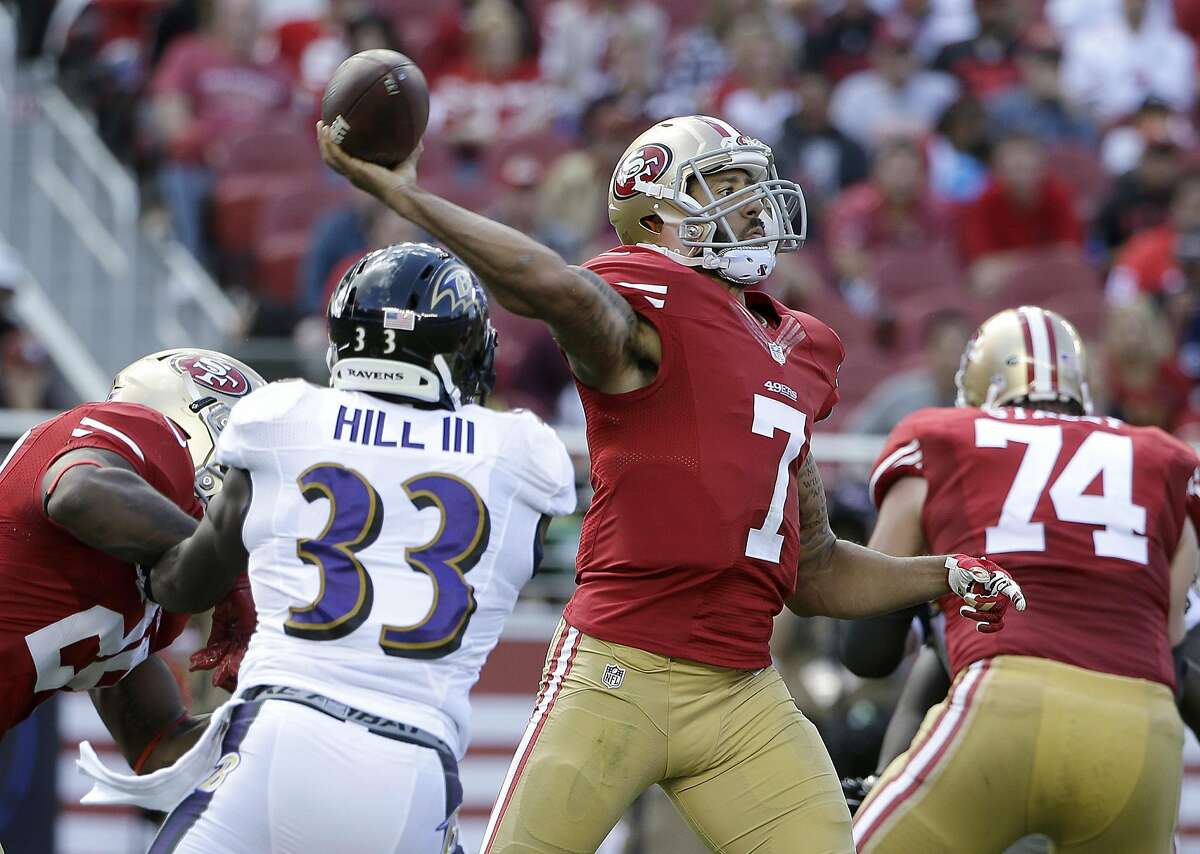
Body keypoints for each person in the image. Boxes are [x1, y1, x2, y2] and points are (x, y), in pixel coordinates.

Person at [313, 112, 1025, 852]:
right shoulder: (647, 301)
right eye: (726, 186)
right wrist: (411, 200)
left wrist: (940, 573)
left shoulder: (801, 348)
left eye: (755, 187)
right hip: (622, 668)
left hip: (743, 693)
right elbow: (551, 288)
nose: (753, 206)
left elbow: (815, 571)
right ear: (654, 215)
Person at [87, 244, 575, 853]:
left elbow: (188, 584)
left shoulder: (282, 416)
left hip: (277, 731)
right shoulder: (523, 453)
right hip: (410, 756)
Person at [852, 306, 1197, 853]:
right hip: (1142, 730)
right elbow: (1177, 651)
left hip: (1005, 706)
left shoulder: (942, 437)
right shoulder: (1164, 459)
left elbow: (865, 648)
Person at [0, 348, 264, 767]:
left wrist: (282, 720)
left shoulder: (146, 595)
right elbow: (79, 493)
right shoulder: (148, 432)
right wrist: (226, 573)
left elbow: (160, 748)